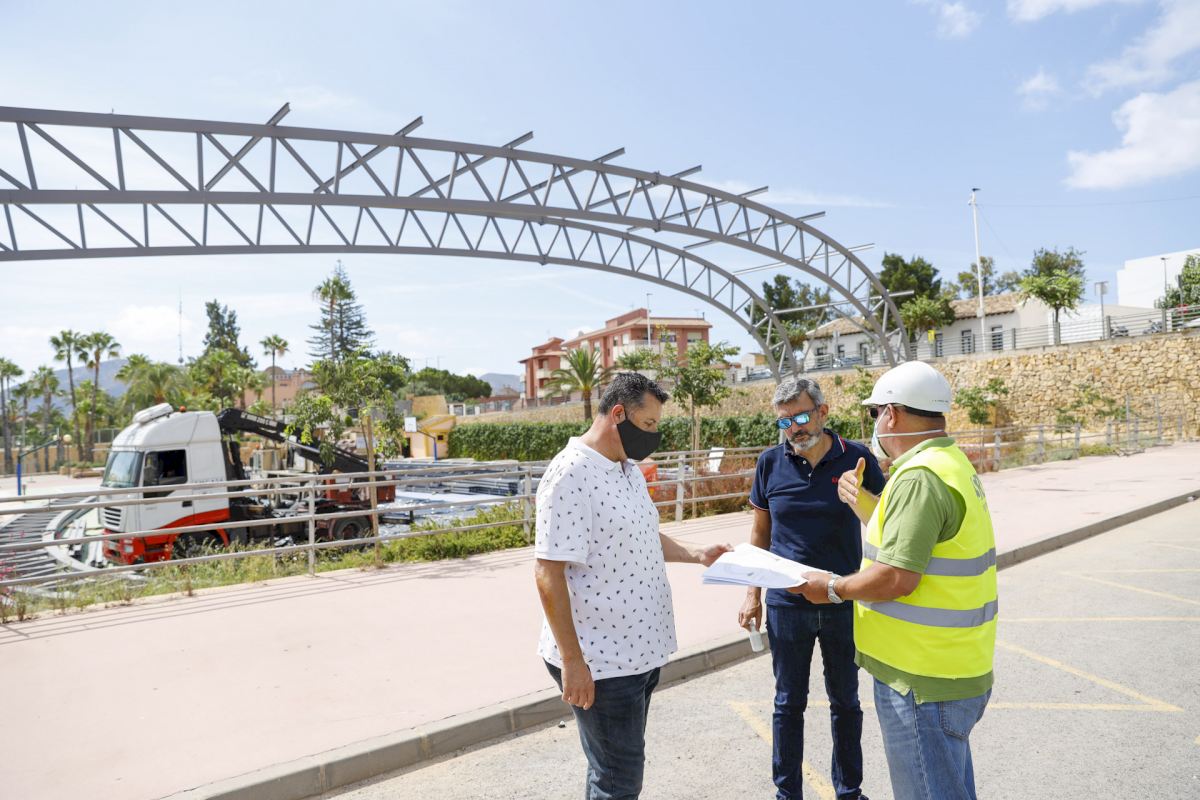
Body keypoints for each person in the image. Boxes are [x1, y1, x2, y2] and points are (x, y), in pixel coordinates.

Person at [793, 361, 998, 800]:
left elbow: (898, 576)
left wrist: (832, 588)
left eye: (875, 413)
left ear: (892, 414)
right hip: (952, 668)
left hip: (920, 681)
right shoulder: (948, 463)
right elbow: (914, 540)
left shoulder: (919, 477)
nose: (875, 423)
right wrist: (862, 503)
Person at [534, 371, 731, 800]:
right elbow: (548, 572)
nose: (653, 436)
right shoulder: (570, 474)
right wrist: (572, 661)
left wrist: (696, 553)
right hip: (601, 661)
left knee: (613, 772)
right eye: (648, 424)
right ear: (618, 414)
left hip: (639, 654)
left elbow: (642, 535)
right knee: (618, 781)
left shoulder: (627, 469)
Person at [740, 377, 884, 800]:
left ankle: (849, 791)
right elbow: (760, 533)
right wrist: (752, 594)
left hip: (843, 598)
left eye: (801, 417)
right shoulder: (769, 463)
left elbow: (886, 523)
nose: (794, 429)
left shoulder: (857, 458)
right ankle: (787, 793)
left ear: (823, 412)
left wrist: (860, 497)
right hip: (787, 604)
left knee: (846, 702)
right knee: (788, 703)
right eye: (784, 421)